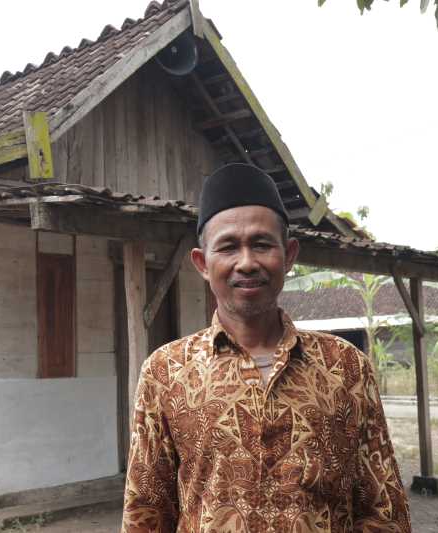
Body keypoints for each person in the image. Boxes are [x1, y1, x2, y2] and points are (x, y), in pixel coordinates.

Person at [121, 163, 411, 532]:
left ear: (288, 255)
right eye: (228, 246)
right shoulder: (166, 372)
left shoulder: (346, 366)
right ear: (202, 263)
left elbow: (382, 508)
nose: (246, 263)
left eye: (261, 244)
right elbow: (146, 511)